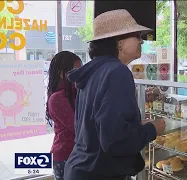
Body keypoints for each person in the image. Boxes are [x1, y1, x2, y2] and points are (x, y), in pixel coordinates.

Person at [64, 9, 166, 180]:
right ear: (119, 42)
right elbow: (115, 141)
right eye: (136, 35)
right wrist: (151, 129)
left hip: (81, 169)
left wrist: (134, 125)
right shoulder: (117, 72)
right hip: (99, 173)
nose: (141, 40)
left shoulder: (96, 70)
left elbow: (96, 126)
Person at [46, 51, 82, 180]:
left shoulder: (75, 92)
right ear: (62, 73)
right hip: (65, 156)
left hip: (76, 154)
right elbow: (77, 127)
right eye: (75, 71)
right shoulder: (57, 98)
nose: (80, 75)